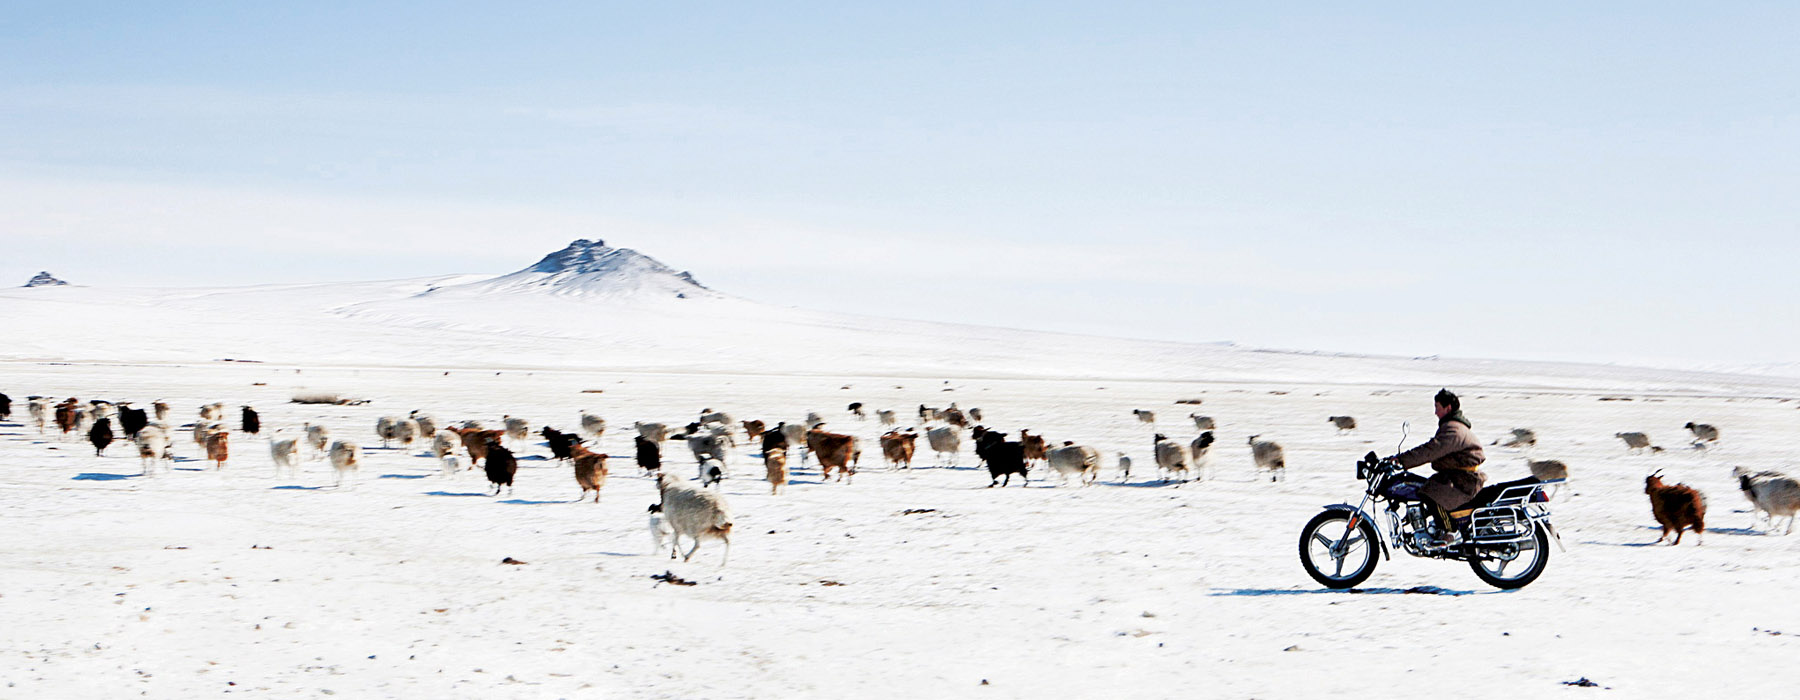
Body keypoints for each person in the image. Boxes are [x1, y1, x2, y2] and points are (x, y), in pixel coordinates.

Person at [1384, 389, 1487, 542]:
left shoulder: (1454, 429)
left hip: (1464, 480)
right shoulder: (1453, 426)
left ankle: (1451, 531)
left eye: (1437, 407)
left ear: (1448, 408)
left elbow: (1431, 450)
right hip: (1457, 477)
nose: (1435, 412)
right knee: (1423, 486)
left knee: (1429, 492)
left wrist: (1402, 460)